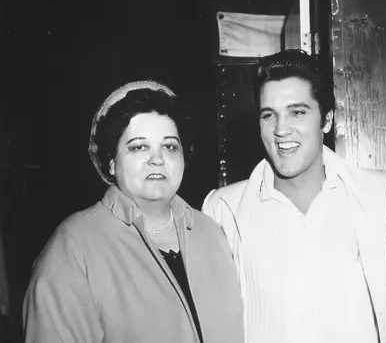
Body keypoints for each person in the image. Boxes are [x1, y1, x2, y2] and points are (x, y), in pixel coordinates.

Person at [23, 81, 243, 343]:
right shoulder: (74, 247)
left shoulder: (212, 233)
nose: (157, 159)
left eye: (170, 146)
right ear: (112, 163)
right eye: (139, 147)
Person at [202, 49, 386, 343]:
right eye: (269, 115)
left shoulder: (382, 197)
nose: (281, 129)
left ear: (326, 120)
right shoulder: (222, 210)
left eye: (297, 112)